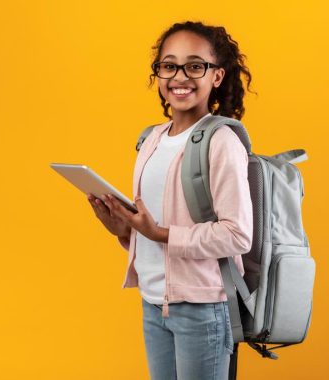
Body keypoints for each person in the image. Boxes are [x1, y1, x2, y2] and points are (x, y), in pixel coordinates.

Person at [87, 20, 255, 380]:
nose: (180, 76)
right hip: (153, 302)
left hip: (203, 307)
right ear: (158, 75)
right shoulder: (150, 140)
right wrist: (124, 231)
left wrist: (161, 233)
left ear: (217, 76)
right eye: (169, 65)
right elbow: (154, 227)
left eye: (195, 66)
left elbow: (237, 235)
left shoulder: (222, 142)